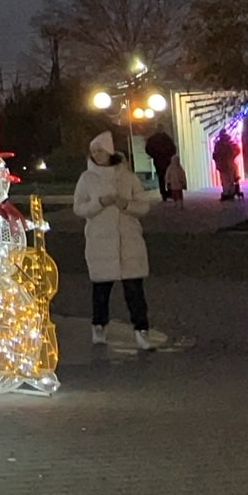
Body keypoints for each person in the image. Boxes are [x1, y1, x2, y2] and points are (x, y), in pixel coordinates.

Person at [72, 130, 161, 351]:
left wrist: (126, 205)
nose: (97, 155)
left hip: (128, 241)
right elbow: (79, 207)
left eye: (100, 151)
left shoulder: (127, 177)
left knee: (134, 291)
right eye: (94, 152)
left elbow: (143, 205)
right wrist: (99, 203)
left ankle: (141, 331)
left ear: (109, 152)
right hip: (100, 243)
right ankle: (99, 326)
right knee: (101, 290)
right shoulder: (87, 178)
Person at [144, 129, 180, 202]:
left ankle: (163, 193)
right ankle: (170, 193)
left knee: (161, 177)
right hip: (167, 160)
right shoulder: (167, 138)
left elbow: (147, 149)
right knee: (169, 176)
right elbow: (173, 148)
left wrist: (154, 155)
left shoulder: (152, 139)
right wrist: (170, 155)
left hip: (158, 161)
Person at [211, 129, 242, 201]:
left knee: (225, 180)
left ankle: (227, 193)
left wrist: (218, 160)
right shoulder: (230, 143)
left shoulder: (219, 144)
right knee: (229, 179)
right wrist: (232, 157)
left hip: (223, 165)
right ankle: (230, 193)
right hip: (229, 164)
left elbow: (215, 154)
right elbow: (237, 150)